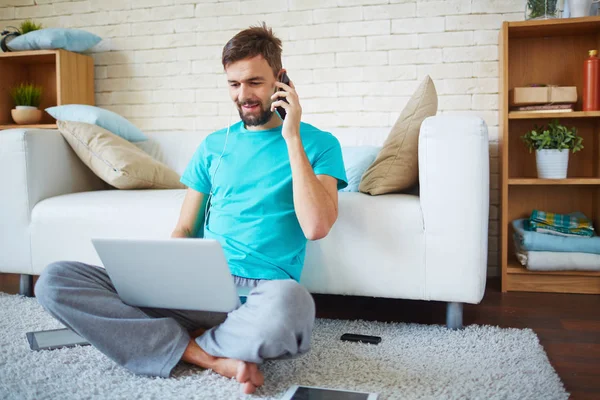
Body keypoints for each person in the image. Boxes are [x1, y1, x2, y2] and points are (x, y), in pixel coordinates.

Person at [34, 22, 348, 395]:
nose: (243, 95)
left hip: (262, 298)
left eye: (254, 83)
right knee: (55, 281)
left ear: (282, 81)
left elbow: (316, 226)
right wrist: (167, 279)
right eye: (233, 84)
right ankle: (208, 355)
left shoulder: (320, 144)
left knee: (294, 304)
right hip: (200, 289)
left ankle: (177, 343)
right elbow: (184, 229)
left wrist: (291, 136)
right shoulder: (214, 145)